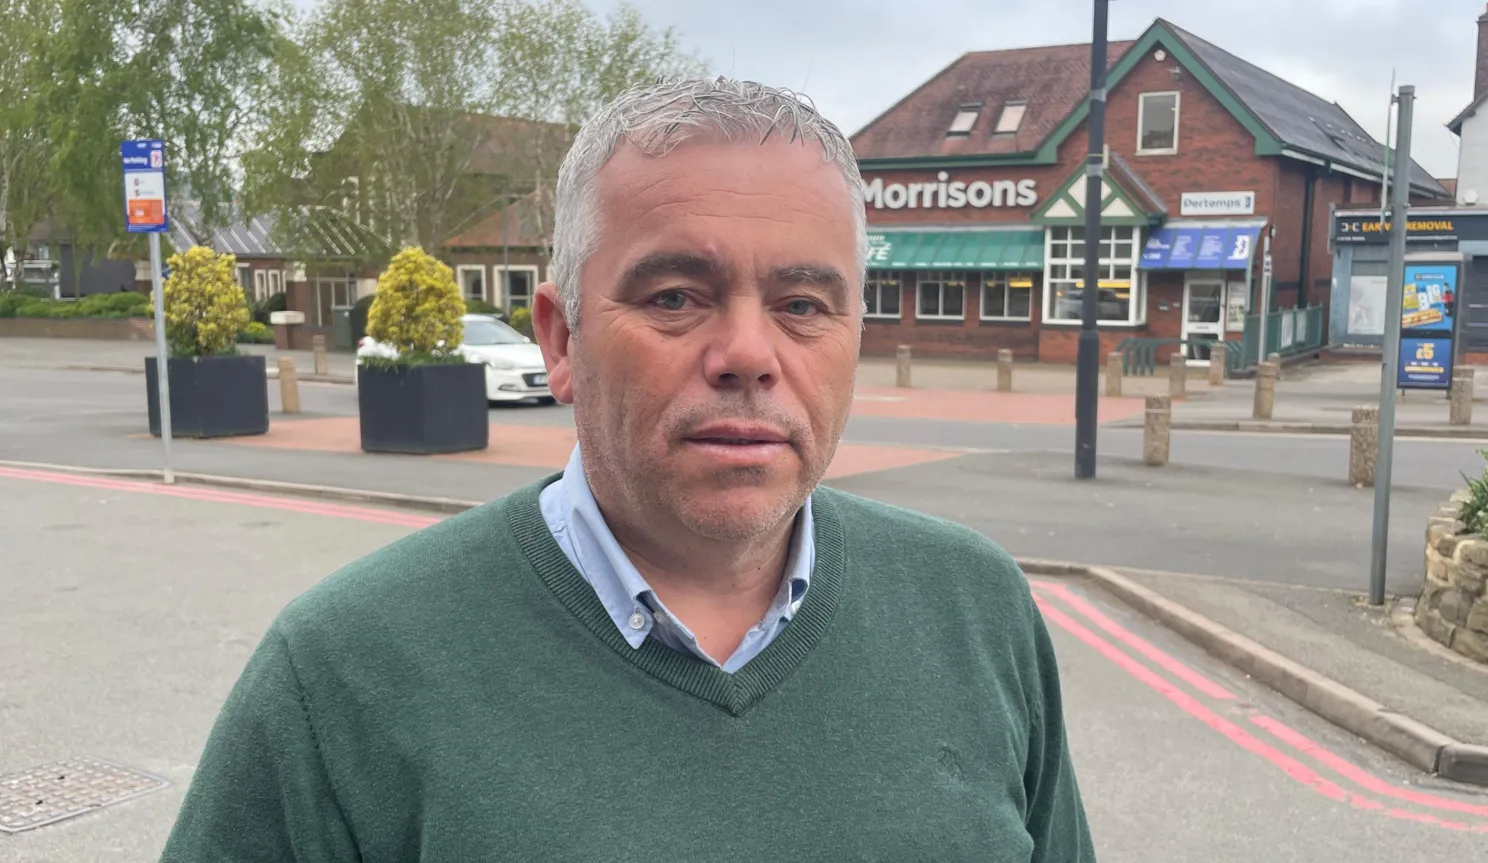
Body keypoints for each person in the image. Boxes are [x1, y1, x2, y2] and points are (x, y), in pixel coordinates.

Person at [160, 77, 1095, 862]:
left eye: (804, 302)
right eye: (676, 296)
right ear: (561, 340)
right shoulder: (345, 670)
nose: (746, 352)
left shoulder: (975, 603)